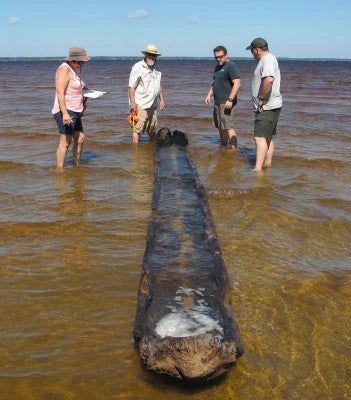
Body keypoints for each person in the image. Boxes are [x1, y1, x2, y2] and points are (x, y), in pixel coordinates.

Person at [246, 37, 282, 172]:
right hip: (270, 105)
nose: (252, 54)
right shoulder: (268, 60)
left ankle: (258, 169)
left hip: (267, 106)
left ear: (257, 50)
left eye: (252, 51)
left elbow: (269, 80)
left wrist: (261, 98)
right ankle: (267, 165)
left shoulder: (267, 60)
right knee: (267, 137)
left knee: (259, 138)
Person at [52, 46, 91, 168]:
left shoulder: (74, 70)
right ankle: (59, 170)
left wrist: (92, 92)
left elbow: (80, 86)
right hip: (66, 111)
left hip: (75, 111)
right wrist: (65, 114)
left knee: (80, 139)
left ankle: (76, 165)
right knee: (65, 142)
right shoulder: (64, 70)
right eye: (81, 62)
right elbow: (60, 92)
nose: (82, 65)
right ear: (74, 60)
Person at [205, 45, 240, 149]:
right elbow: (215, 83)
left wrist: (230, 99)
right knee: (221, 127)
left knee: (229, 127)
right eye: (216, 57)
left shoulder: (230, 65)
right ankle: (223, 147)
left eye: (220, 57)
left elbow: (237, 83)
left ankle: (233, 150)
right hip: (217, 103)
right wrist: (208, 95)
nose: (218, 59)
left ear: (226, 55)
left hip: (227, 103)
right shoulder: (217, 67)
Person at [128, 44, 165, 143]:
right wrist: (133, 103)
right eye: (149, 55)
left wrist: (162, 99)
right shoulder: (138, 67)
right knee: (137, 130)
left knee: (152, 129)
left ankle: (151, 150)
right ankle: (136, 152)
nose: (151, 57)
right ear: (145, 55)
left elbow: (158, 85)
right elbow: (131, 87)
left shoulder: (154, 69)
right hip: (141, 104)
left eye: (154, 55)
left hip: (153, 105)